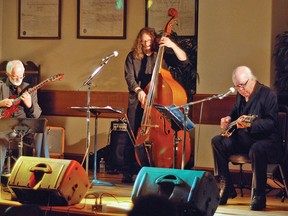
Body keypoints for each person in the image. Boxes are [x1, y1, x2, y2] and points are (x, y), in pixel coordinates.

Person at [123, 27, 191, 183]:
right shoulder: (132, 57)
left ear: (153, 40)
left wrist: (171, 45)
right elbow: (129, 77)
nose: (146, 44)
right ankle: (129, 171)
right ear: (139, 41)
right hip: (139, 100)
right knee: (133, 133)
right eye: (143, 41)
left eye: (149, 40)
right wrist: (139, 90)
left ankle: (156, 166)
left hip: (159, 101)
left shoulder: (162, 54)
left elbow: (184, 61)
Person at [211, 66, 282, 210]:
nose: (241, 89)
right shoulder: (240, 95)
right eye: (237, 87)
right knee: (217, 141)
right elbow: (235, 111)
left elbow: (271, 122)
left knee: (257, 148)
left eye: (243, 85)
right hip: (246, 139)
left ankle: (258, 195)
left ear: (252, 79)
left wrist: (250, 125)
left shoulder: (268, 94)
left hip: (267, 140)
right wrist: (228, 118)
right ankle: (226, 187)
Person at [0, 60, 49, 174]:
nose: (18, 79)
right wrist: (1, 103)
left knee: (42, 130)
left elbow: (37, 114)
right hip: (4, 127)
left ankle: (42, 169)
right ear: (7, 74)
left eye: (21, 76)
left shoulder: (29, 88)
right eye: (15, 76)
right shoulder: (1, 85)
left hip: (24, 126)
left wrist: (30, 105)